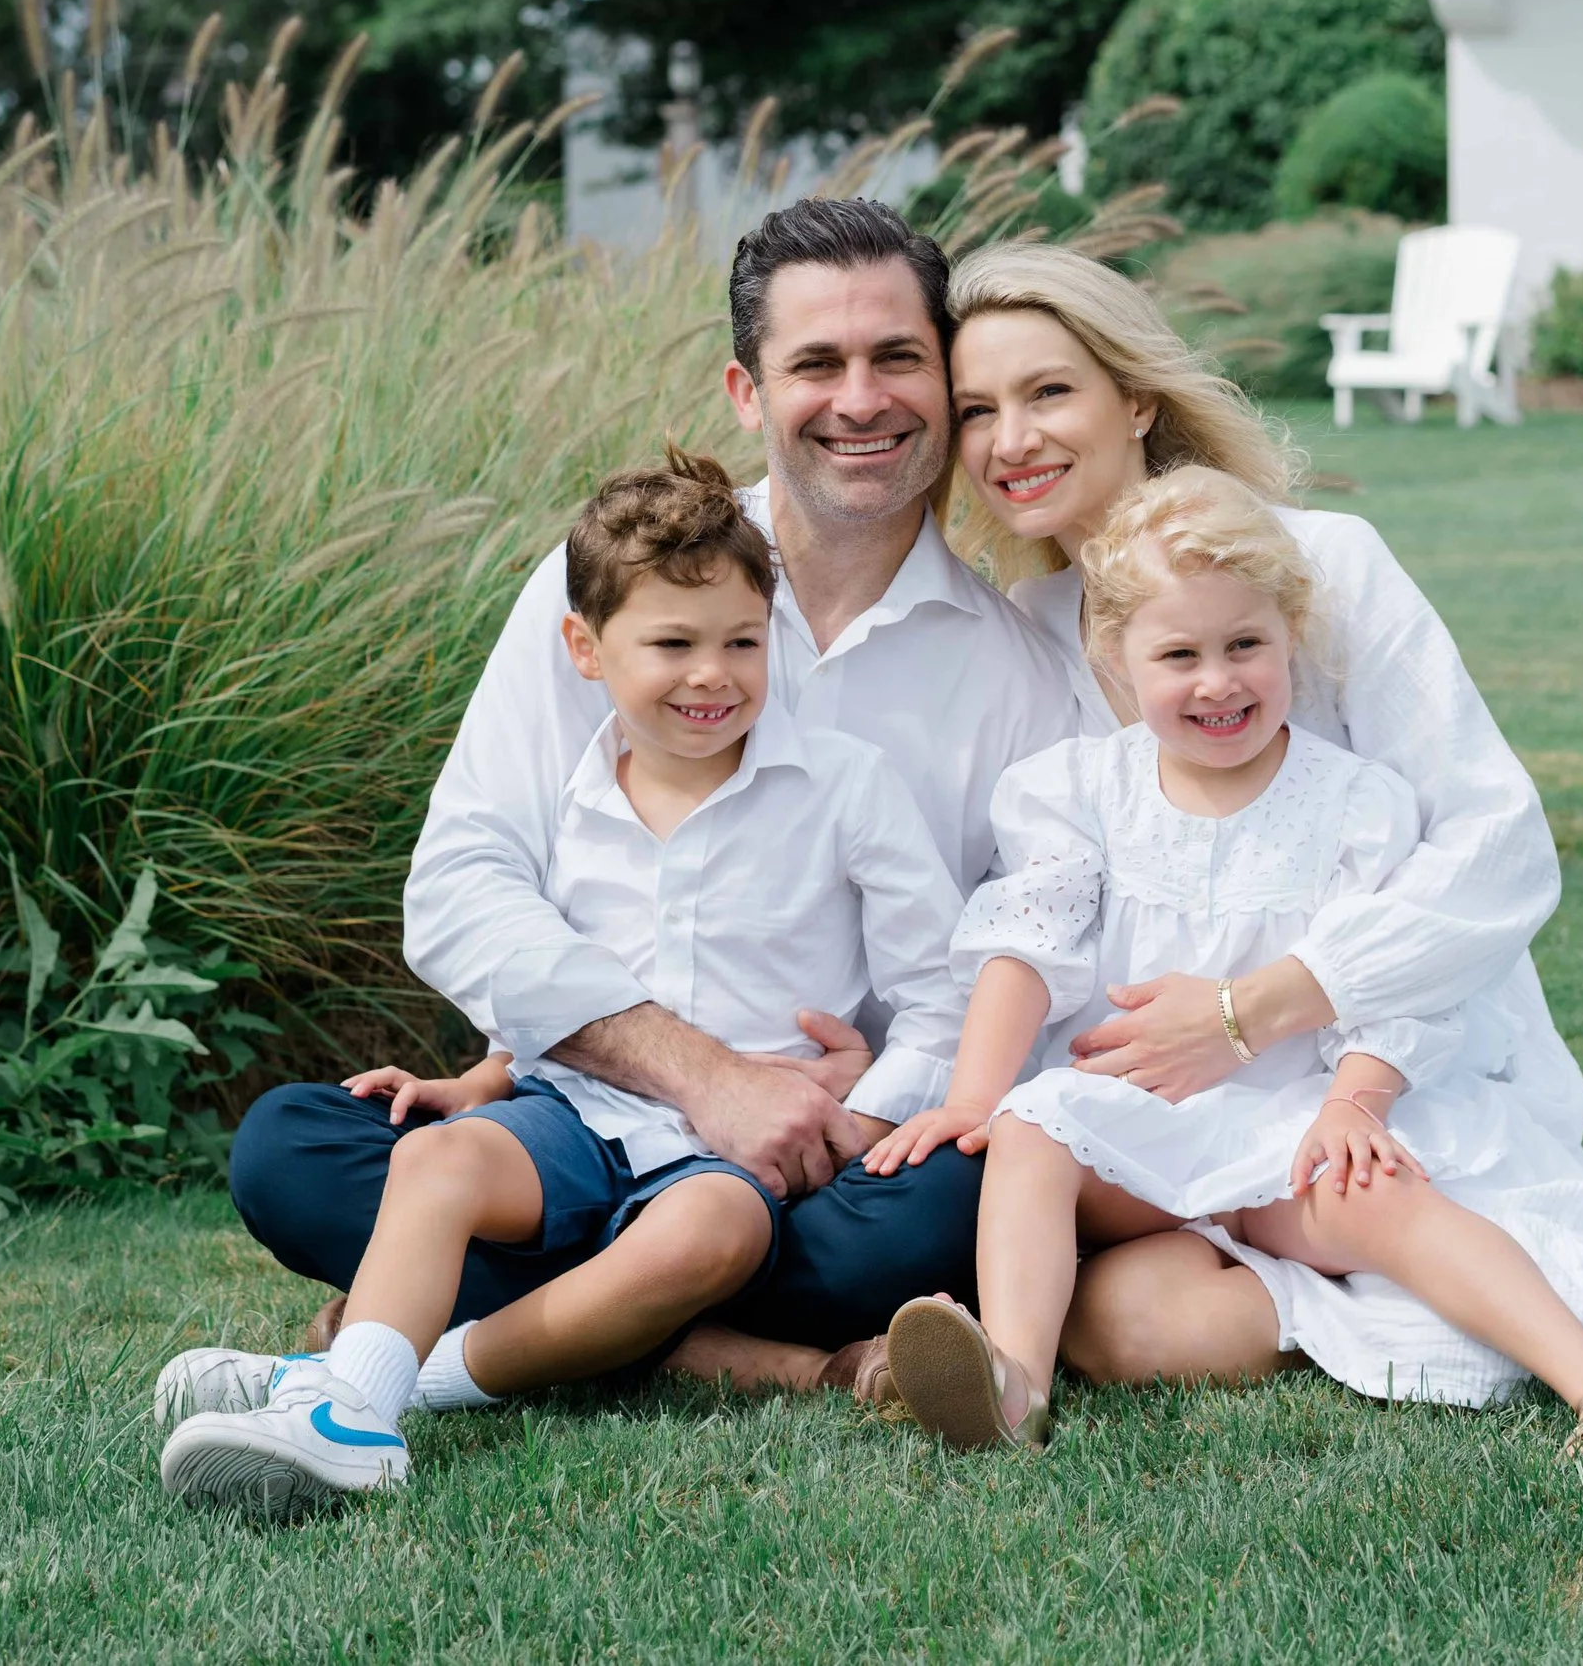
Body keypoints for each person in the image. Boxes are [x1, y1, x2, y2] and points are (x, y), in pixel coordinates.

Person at [220, 200, 1076, 1395]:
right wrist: (701, 1078)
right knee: (291, 1153)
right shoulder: (614, 595)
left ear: (946, 376)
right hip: (586, 1119)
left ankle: (450, 1333)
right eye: (814, 364)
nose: (862, 399)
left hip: (824, 1171)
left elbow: (1010, 968)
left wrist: (862, 1109)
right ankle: (752, 1356)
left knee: (946, 1207)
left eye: (898, 359)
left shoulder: (1020, 672)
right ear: (745, 390)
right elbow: (465, 888)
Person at [939, 243, 1583, 1392]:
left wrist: (1250, 1012)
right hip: (1169, 1116)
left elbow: (1497, 852)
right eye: (975, 410)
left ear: (1135, 397)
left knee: (1337, 1217)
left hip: (1383, 1068)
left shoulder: (1321, 570)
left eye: (1049, 390)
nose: (1012, 438)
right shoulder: (1027, 624)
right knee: (1129, 1335)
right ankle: (1287, 1273)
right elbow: (1036, 905)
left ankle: (1423, 1271)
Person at [159, 450, 970, 1515]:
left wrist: (861, 1118)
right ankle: (350, 1421)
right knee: (436, 1162)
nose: (711, 674)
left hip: (735, 1161)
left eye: (740, 641)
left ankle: (359, 1382)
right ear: (584, 648)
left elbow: (938, 991)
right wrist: (484, 1080)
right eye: (671, 644)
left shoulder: (845, 787)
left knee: (715, 1236)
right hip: (573, 1115)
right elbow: (562, 978)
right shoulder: (567, 801)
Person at [869, 467, 1583, 1453]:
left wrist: (1355, 1101)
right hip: (1145, 1126)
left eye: (1245, 646)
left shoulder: (1355, 808)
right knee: (1033, 1130)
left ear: (1290, 640)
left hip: (1293, 1117)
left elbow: (1392, 988)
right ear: (1116, 656)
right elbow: (1027, 944)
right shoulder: (1078, 791)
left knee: (1378, 1196)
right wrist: (975, 1097)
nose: (1217, 680)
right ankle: (1012, 1386)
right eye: (1178, 653)